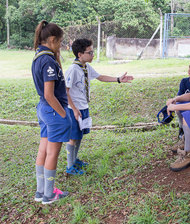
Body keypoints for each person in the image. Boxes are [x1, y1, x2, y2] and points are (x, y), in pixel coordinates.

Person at [64, 38, 133, 175]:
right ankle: (70, 166)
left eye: (92, 51)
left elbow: (100, 77)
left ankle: (74, 160)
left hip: (83, 107)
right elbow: (65, 91)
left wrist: (118, 79)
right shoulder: (73, 69)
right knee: (72, 137)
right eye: (90, 52)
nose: (93, 55)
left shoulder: (86, 67)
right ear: (80, 54)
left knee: (79, 135)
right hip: (74, 109)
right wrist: (75, 109)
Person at [32, 21, 71, 204]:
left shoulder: (38, 56)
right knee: (52, 153)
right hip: (53, 111)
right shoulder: (48, 60)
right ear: (53, 39)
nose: (61, 46)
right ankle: (49, 193)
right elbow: (49, 95)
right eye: (60, 42)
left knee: (43, 149)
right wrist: (63, 114)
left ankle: (41, 191)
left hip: (43, 110)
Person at [166, 58, 190, 139]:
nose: (189, 70)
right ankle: (181, 127)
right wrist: (174, 100)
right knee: (178, 106)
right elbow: (179, 95)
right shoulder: (184, 81)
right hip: (184, 106)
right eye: (189, 67)